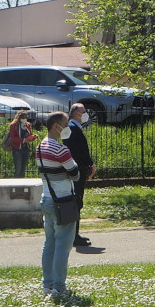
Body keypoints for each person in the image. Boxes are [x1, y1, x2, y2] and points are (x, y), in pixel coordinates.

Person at [35, 111, 81, 296]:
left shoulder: (40, 147)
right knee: (63, 245)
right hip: (62, 202)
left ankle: (47, 285)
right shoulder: (60, 149)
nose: (68, 128)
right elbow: (75, 173)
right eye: (66, 124)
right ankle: (59, 288)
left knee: (50, 243)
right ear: (57, 126)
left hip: (46, 198)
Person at [66, 104, 95, 248]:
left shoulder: (75, 127)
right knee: (76, 201)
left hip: (79, 169)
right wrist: (90, 164)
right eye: (84, 112)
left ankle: (75, 234)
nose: (86, 114)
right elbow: (78, 151)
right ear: (76, 113)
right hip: (77, 170)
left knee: (78, 201)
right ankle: (74, 236)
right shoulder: (72, 128)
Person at [5, 111, 33, 178]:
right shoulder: (13, 125)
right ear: (19, 118)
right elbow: (13, 137)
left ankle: (22, 184)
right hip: (17, 149)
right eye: (23, 118)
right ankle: (16, 184)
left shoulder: (27, 125)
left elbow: (30, 134)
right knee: (18, 168)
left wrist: (32, 137)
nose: (25, 119)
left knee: (23, 169)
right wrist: (23, 140)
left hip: (26, 149)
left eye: (26, 118)